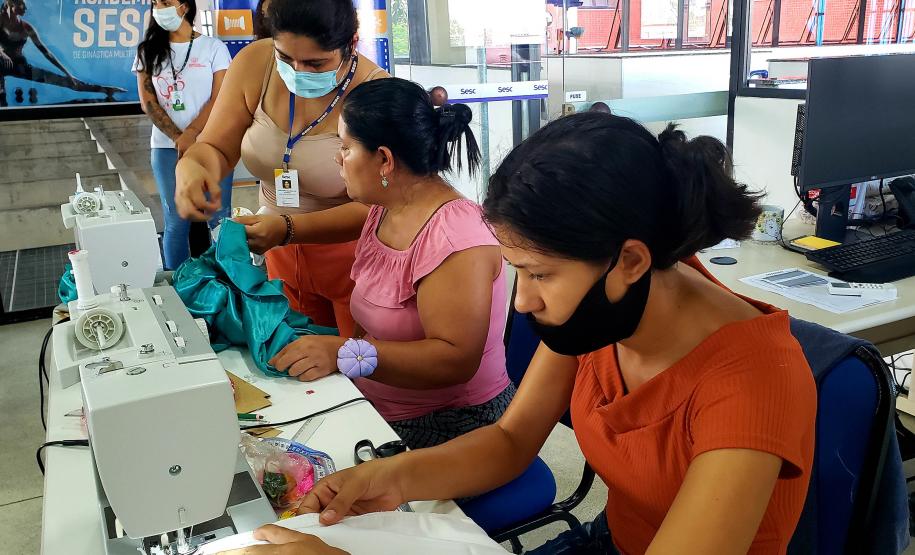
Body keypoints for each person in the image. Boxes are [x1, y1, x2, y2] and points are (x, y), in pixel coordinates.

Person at [270, 114, 817, 554]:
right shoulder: (610, 305)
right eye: (518, 272)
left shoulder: (752, 381)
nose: (523, 300)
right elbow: (511, 441)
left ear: (629, 260)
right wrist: (390, 477)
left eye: (539, 274)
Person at [241, 78, 514, 449]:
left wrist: (345, 355)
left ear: (384, 160)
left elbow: (453, 361)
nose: (338, 158)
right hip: (380, 399)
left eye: (346, 147)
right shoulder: (387, 209)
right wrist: (281, 230)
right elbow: (335, 223)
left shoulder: (454, 241)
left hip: (456, 425)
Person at [175, 0, 388, 338]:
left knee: (355, 368)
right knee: (295, 363)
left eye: (316, 64)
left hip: (354, 260)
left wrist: (288, 227)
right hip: (280, 254)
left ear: (352, 43)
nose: (299, 72)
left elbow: (380, 209)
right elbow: (215, 146)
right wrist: (192, 165)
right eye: (286, 58)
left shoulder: (376, 92)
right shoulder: (255, 64)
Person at [134, 0, 233, 270]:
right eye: (155, 3)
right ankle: (179, 284)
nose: (159, 8)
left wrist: (192, 133)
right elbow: (148, 102)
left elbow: (220, 98)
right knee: (176, 220)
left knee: (219, 218)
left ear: (184, 6)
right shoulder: (147, 51)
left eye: (166, 2)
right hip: (167, 149)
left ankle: (225, 281)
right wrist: (179, 137)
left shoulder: (213, 48)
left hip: (213, 146)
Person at [0, 0, 125, 107]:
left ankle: (106, 89)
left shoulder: (26, 27)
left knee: (69, 82)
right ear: (11, 5)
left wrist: (68, 74)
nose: (26, 8)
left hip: (20, 66)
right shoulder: (1, 20)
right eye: (22, 4)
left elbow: (47, 53)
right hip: (2, 64)